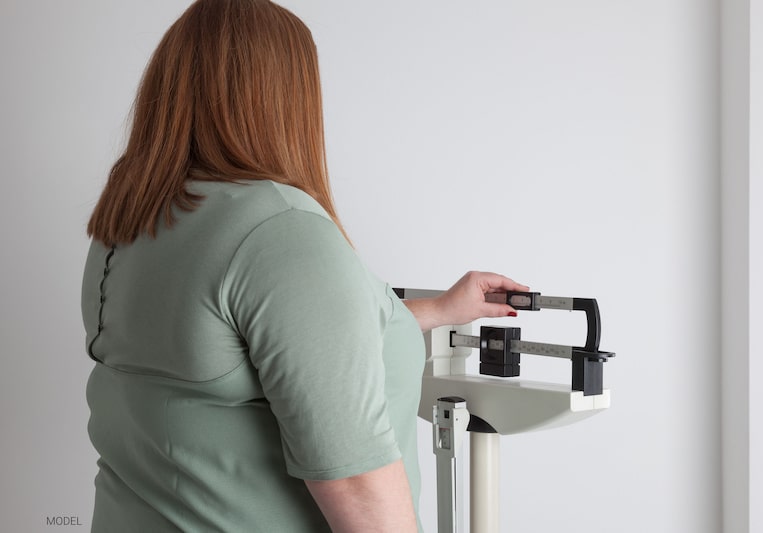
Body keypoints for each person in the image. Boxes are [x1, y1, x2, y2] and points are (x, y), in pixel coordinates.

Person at [81, 1, 527, 531]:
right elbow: (356, 484)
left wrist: (437, 310)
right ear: (286, 96)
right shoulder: (280, 231)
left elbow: (256, 341)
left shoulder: (132, 219)